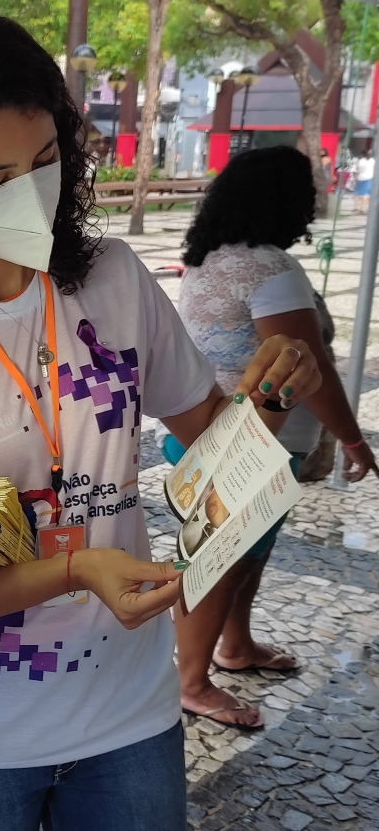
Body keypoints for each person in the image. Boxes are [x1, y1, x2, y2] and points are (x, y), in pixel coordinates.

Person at [0, 14, 319, 830]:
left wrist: (267, 402)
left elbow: (209, 434)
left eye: (44, 162)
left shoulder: (112, 280)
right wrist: (71, 572)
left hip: (126, 718)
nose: (30, 195)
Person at [170, 145, 375, 729]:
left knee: (243, 555)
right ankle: (190, 681)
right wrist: (354, 442)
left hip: (221, 434)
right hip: (256, 443)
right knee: (217, 561)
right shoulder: (272, 270)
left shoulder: (213, 259)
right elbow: (309, 371)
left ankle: (236, 646)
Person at [355, 147, 374, 213]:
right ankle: (362, 208)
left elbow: (357, 170)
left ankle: (356, 207)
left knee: (357, 193)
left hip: (360, 177)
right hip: (369, 178)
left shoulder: (360, 161)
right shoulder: (372, 161)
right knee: (366, 194)